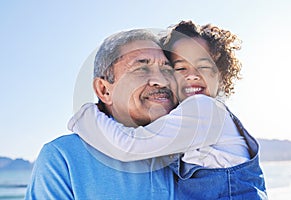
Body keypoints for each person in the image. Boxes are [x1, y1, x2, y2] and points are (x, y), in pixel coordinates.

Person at [68, 21, 267, 199]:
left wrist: (87, 116)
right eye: (180, 68)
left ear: (221, 76)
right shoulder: (189, 122)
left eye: (204, 67)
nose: (192, 76)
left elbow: (130, 145)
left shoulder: (204, 109)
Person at [25, 29, 180, 199]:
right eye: (141, 69)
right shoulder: (63, 158)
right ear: (104, 90)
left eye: (167, 70)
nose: (162, 80)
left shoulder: (196, 148)